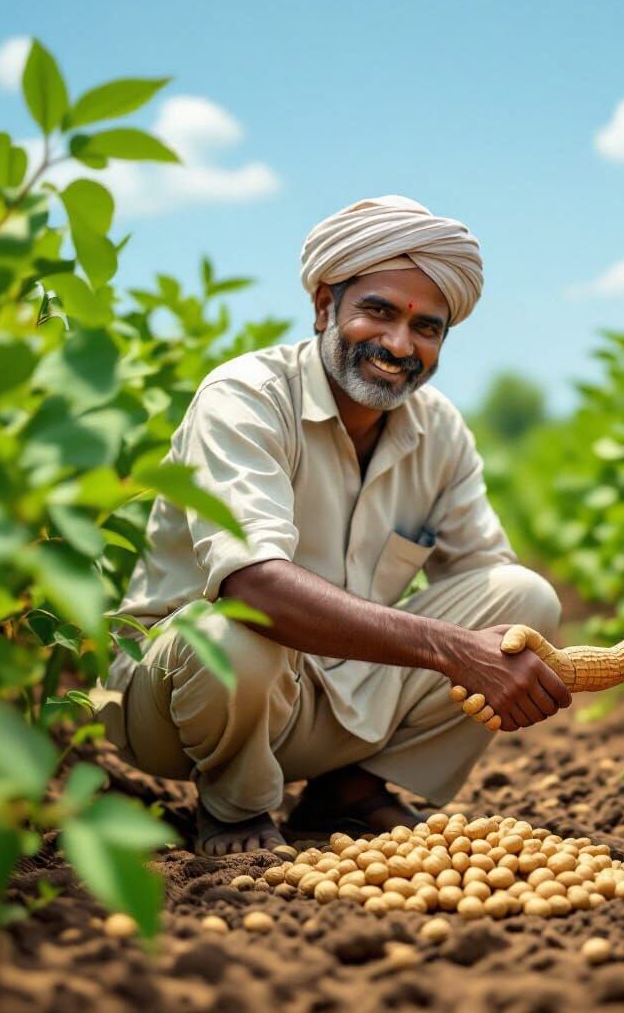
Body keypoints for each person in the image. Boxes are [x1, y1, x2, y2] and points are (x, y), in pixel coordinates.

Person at [94, 195, 569, 856]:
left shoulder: (440, 432)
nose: (400, 344)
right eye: (378, 311)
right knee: (235, 628)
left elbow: (488, 596)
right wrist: (454, 651)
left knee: (524, 600)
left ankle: (349, 790)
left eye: (427, 328)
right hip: (182, 703)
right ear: (324, 305)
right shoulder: (246, 398)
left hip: (339, 695)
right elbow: (254, 588)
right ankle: (235, 809)